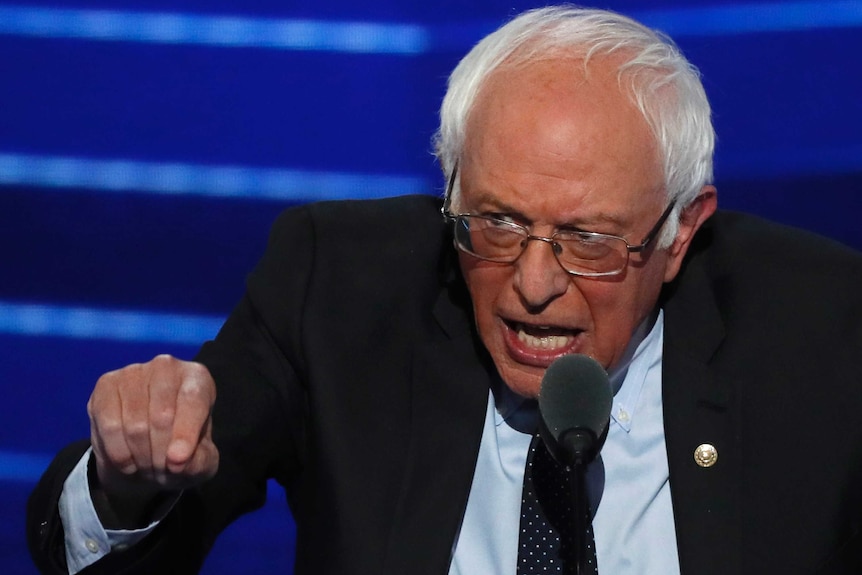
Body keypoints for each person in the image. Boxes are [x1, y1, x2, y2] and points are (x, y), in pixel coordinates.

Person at [27, 5, 862, 575]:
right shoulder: (338, 284)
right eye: (495, 222)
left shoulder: (822, 329)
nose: (533, 286)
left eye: (590, 240)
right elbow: (111, 543)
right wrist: (129, 479)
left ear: (681, 231)